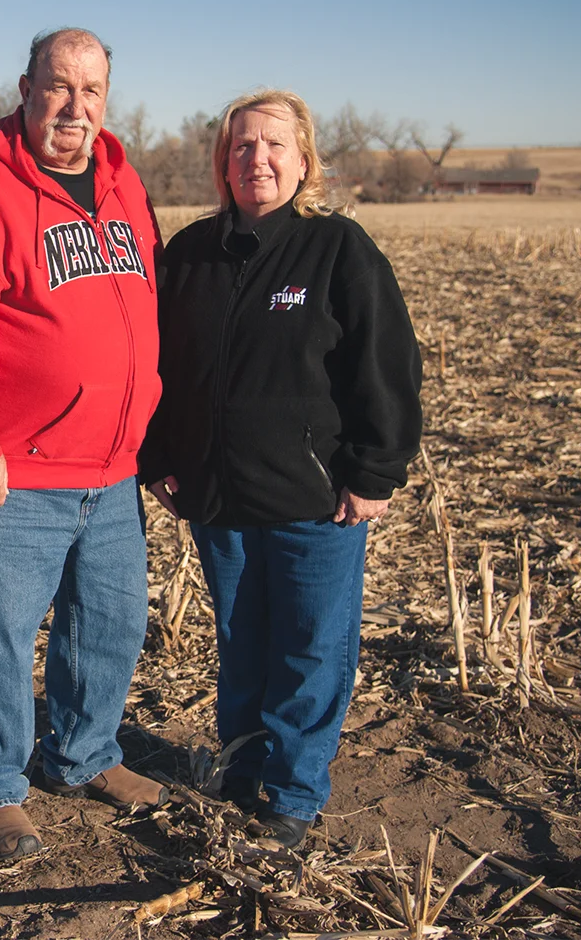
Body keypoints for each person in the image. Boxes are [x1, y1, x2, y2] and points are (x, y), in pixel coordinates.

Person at [139, 89, 422, 848]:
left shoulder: (338, 249)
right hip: (217, 495)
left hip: (313, 498)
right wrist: (162, 458)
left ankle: (293, 794)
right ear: (221, 163)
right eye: (240, 146)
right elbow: (157, 366)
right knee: (240, 640)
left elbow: (385, 368)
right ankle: (238, 768)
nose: (255, 159)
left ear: (302, 160)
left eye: (272, 145)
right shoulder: (191, 253)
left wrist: (374, 473)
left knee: (308, 647)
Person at [0, 28, 167, 860]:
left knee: (109, 626)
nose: (74, 106)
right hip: (14, 470)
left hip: (112, 469)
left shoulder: (127, 188)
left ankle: (83, 754)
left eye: (90, 90)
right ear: (24, 88)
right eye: (57, 87)